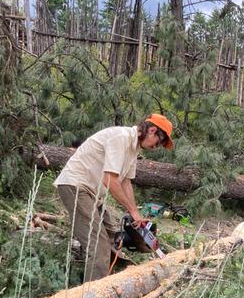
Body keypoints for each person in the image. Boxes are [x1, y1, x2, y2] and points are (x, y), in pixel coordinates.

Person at [54, 114, 174, 282]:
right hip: (76, 186)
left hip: (93, 194)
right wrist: (132, 210)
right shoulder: (121, 138)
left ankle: (114, 282)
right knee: (98, 245)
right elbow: (109, 179)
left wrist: (135, 213)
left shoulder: (133, 149)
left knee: (113, 236)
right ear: (152, 130)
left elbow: (125, 182)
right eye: (159, 142)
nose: (157, 147)